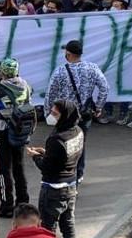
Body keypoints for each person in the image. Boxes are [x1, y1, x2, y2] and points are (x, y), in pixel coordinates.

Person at [45, 40, 108, 180]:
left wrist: (48, 113)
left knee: (62, 142)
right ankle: (78, 173)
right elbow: (105, 87)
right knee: (80, 142)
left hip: (64, 114)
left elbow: (50, 94)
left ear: (68, 53)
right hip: (84, 113)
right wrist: (98, 106)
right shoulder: (92, 68)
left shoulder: (60, 71)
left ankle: (65, 171)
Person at [28, 101, 84, 238]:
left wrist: (35, 157)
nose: (51, 116)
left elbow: (47, 167)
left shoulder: (56, 139)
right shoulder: (78, 132)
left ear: (64, 116)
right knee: (68, 223)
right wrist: (46, 152)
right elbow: (64, 157)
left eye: (55, 114)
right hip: (71, 186)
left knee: (48, 227)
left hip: (53, 189)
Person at [0, 58, 32, 217]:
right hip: (20, 132)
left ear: (2, 72)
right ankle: (23, 202)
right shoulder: (25, 85)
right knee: (19, 167)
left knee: (4, 170)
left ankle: (7, 206)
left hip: (2, 133)